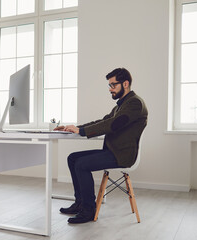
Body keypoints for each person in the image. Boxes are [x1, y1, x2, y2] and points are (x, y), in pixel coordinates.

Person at [55, 67, 148, 224]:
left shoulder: (135, 103)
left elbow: (112, 124)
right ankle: (80, 203)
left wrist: (81, 130)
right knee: (72, 158)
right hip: (113, 151)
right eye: (109, 86)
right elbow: (103, 121)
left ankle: (88, 210)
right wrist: (75, 128)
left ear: (125, 84)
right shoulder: (121, 105)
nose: (110, 89)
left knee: (82, 164)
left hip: (122, 155)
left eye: (113, 85)